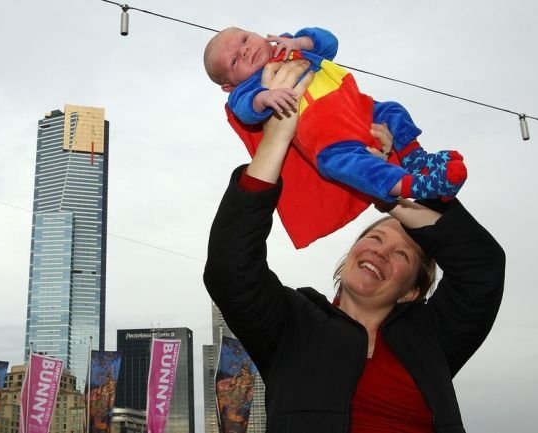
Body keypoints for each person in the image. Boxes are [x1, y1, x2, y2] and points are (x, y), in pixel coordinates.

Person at [203, 60, 505, 432]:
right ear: (349, 256)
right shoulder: (292, 327)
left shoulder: (433, 338)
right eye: (374, 238)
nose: (380, 250)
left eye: (401, 254)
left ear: (412, 290)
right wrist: (276, 139)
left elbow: (483, 266)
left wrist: (388, 193)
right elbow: (230, 269)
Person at [203, 26, 468, 248]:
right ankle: (415, 186)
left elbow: (329, 43)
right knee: (350, 166)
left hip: (361, 110)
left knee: (394, 111)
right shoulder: (250, 87)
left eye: (245, 39)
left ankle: (415, 158)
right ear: (229, 85)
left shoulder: (290, 47)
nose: (245, 50)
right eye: (234, 61)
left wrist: (299, 40)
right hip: (330, 140)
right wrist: (264, 97)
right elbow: (244, 109)